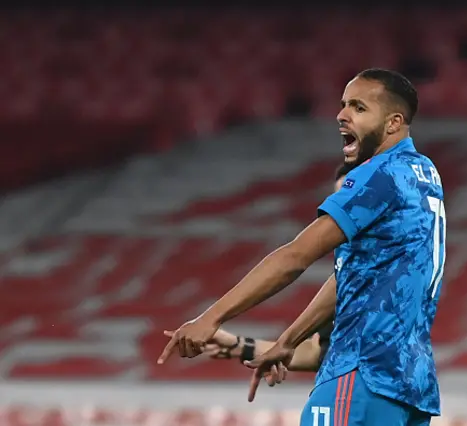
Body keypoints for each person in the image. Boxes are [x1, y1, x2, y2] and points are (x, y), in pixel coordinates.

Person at [158, 68, 446, 426]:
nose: (342, 115)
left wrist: (209, 319)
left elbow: (295, 256)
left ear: (393, 123)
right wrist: (289, 339)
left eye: (358, 107)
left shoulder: (380, 175)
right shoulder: (425, 174)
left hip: (361, 373)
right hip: (409, 383)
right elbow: (353, 277)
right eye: (343, 105)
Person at [202, 163, 355, 374]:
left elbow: (294, 257)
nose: (342, 214)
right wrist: (239, 346)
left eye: (353, 201)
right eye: (339, 202)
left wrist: (210, 318)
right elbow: (317, 352)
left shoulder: (403, 270)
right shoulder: (347, 276)